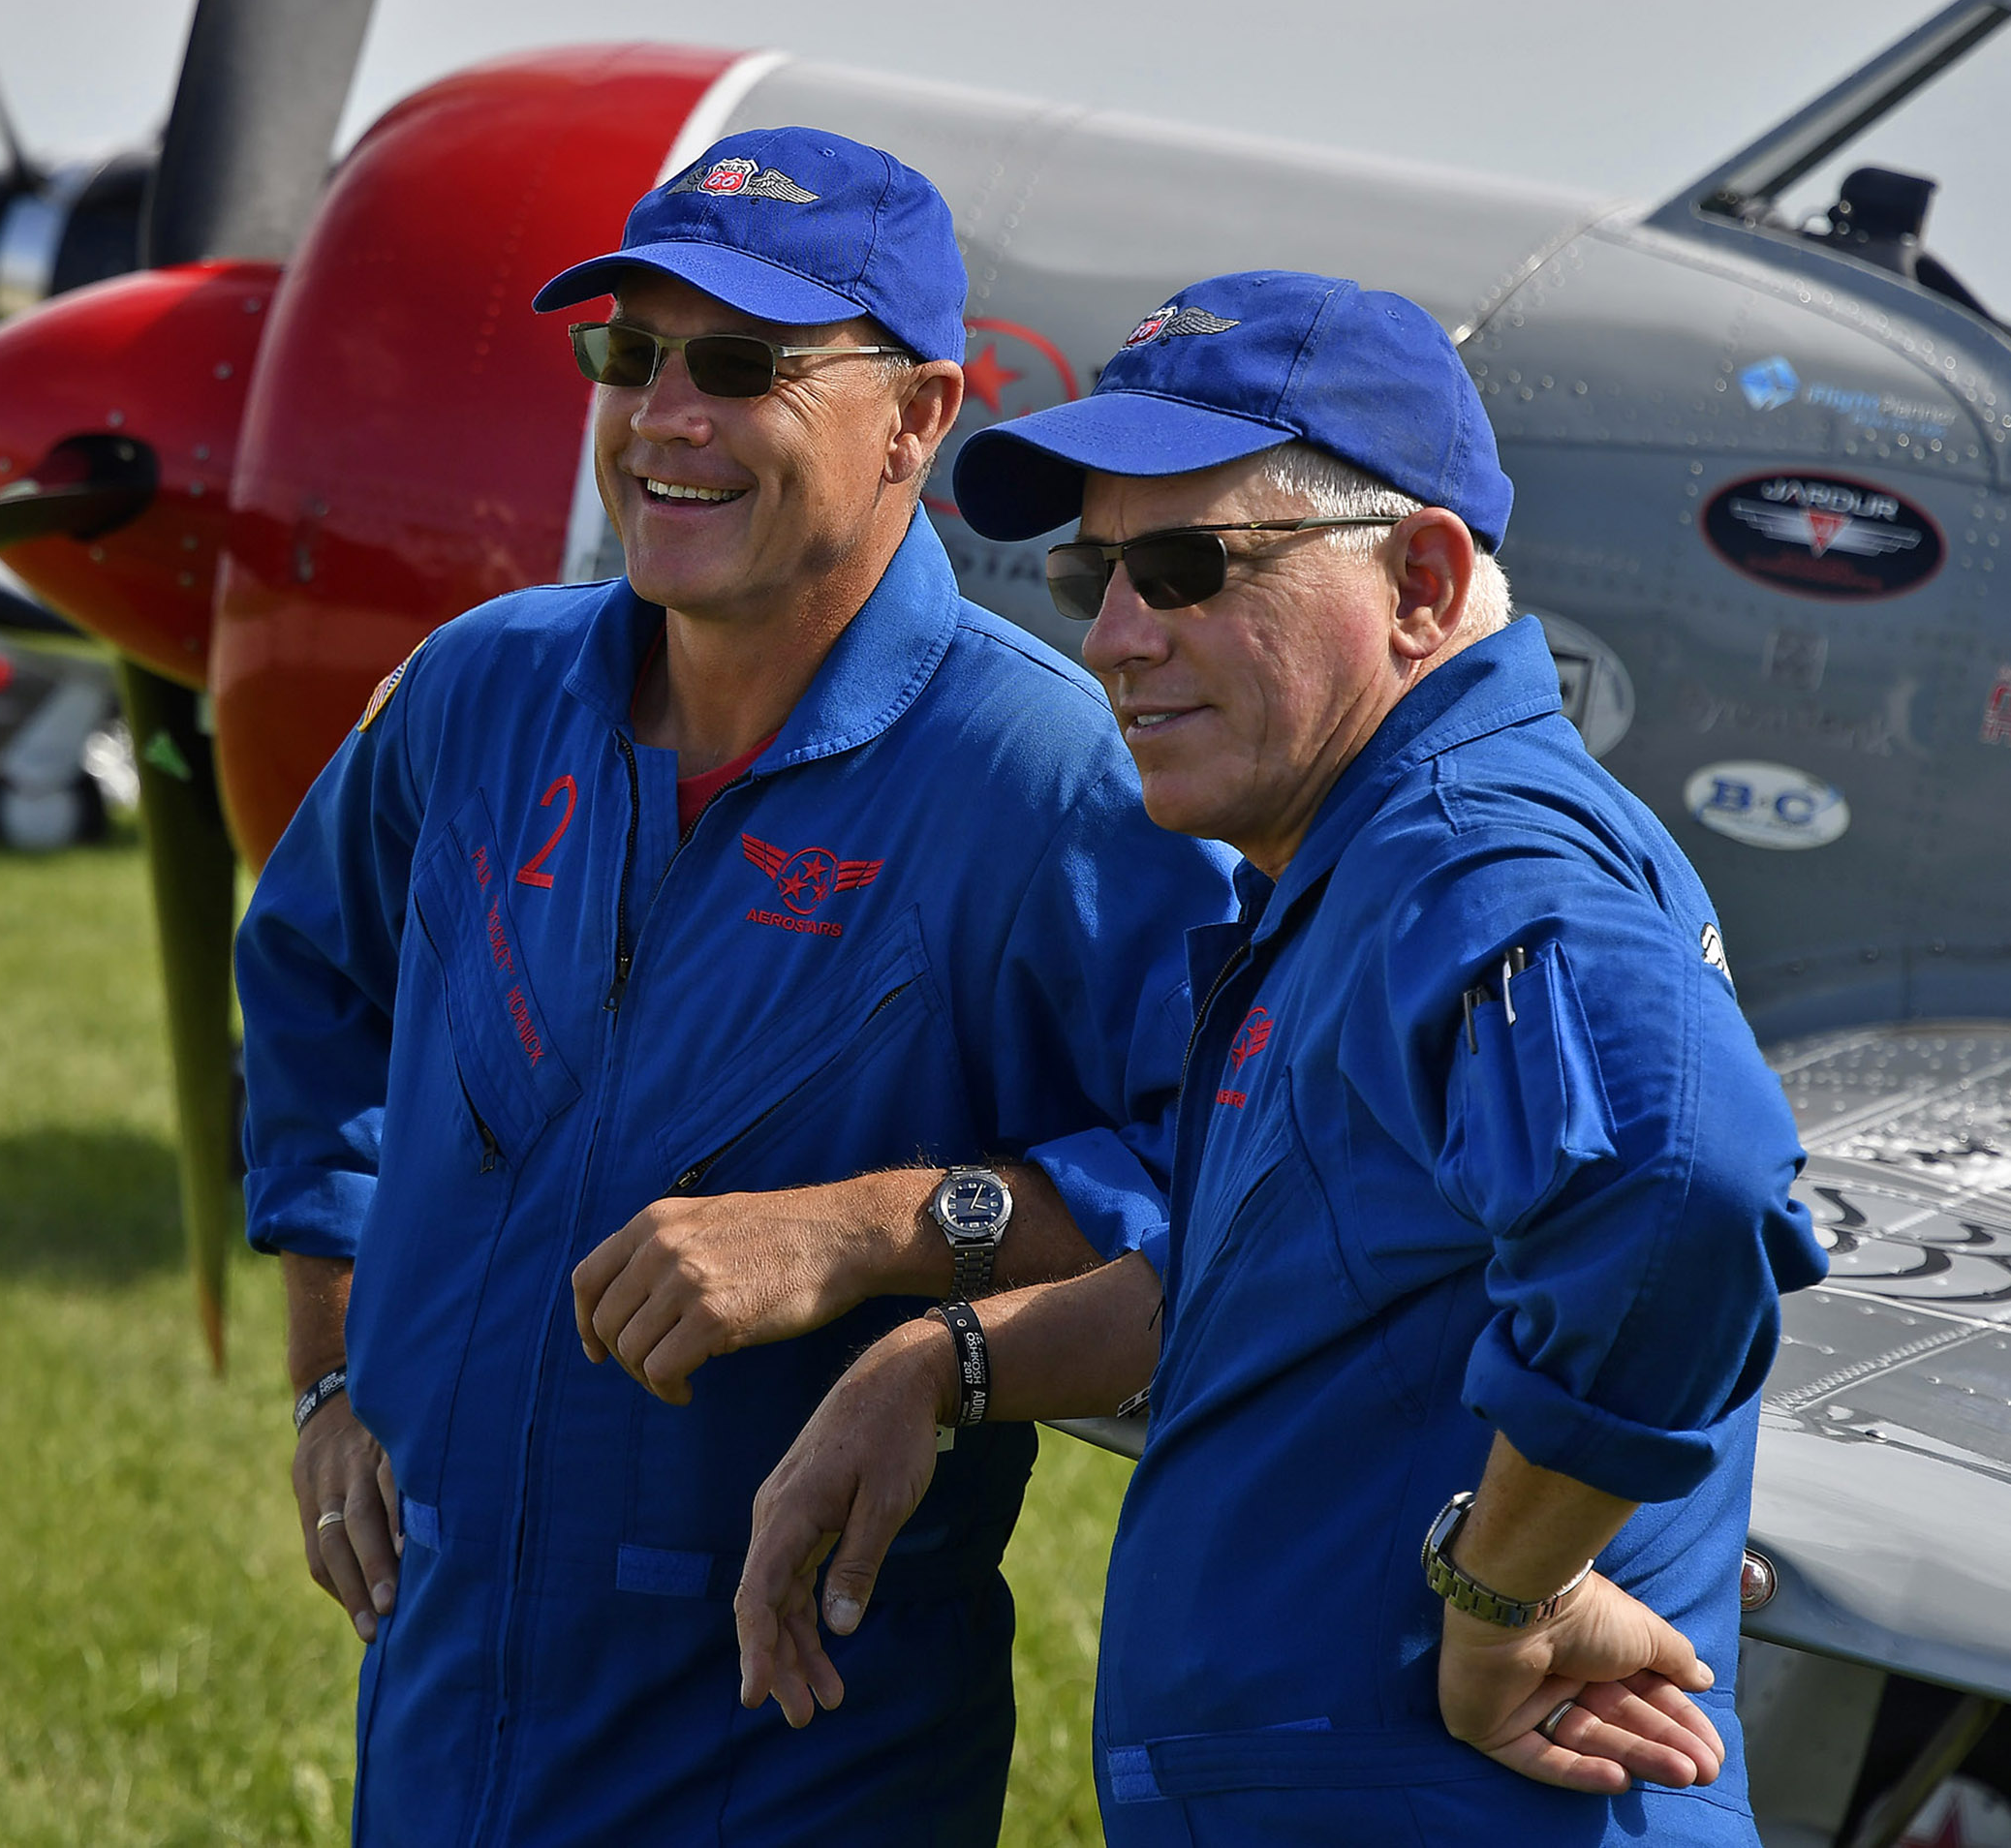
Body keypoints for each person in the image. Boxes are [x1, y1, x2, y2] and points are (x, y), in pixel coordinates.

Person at [235, 129, 1241, 1846]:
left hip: (792, 1755)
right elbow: (317, 981)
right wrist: (327, 1380)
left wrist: (871, 1231)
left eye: (743, 366)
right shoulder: (481, 695)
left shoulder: (1049, 782)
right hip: (439, 1724)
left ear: (919, 416)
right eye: (629, 354)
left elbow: (1242, 1188)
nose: (665, 418)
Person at [733, 270, 1827, 1842]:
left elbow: (1677, 1193)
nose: (1113, 635)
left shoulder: (1468, 857)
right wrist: (945, 1359)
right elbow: (1286, 1284)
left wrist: (1500, 1590)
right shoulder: (1360, 867)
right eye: (1089, 571)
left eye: (1185, 566)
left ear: (1424, 580)